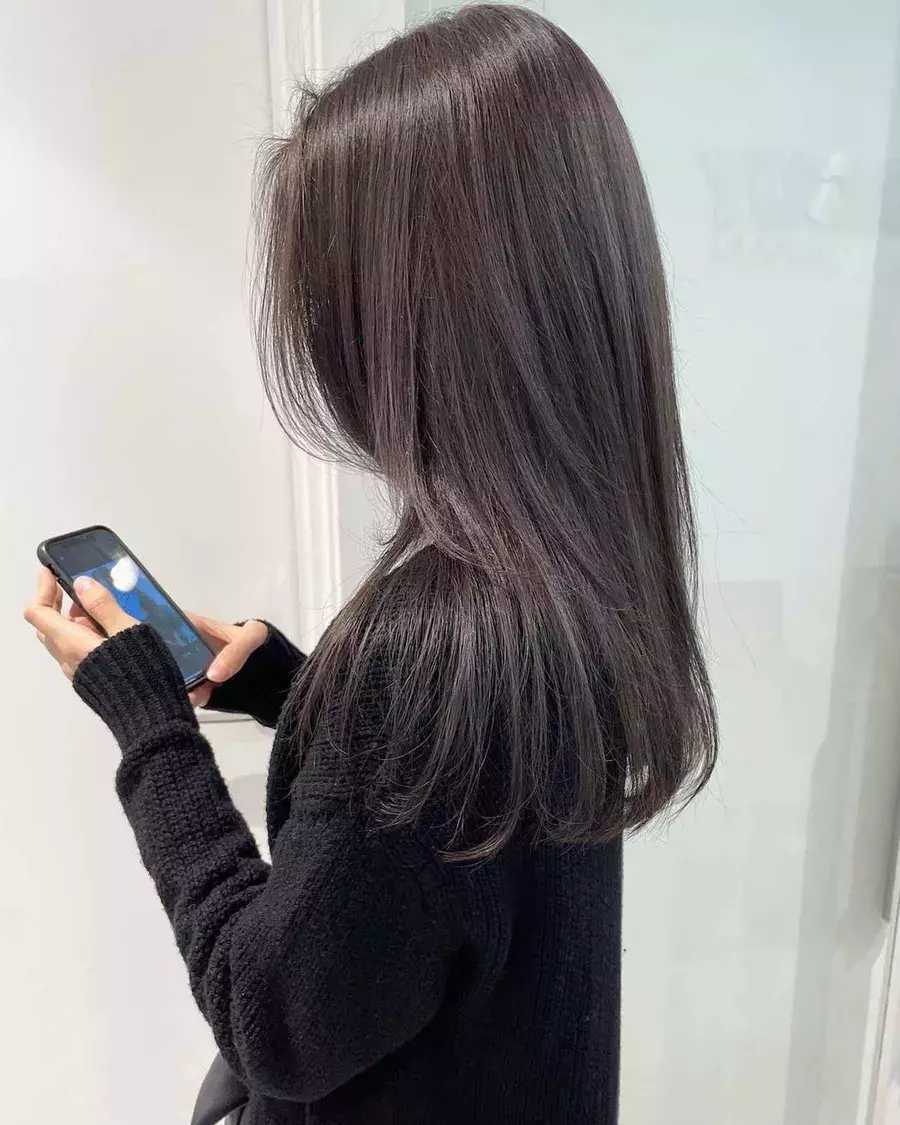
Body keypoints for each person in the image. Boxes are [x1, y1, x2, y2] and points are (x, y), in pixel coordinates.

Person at [24, 5, 717, 1123]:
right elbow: (451, 843)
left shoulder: (437, 645)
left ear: (404, 317)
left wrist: (150, 727)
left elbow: (275, 1019)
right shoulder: (576, 576)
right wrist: (289, 688)